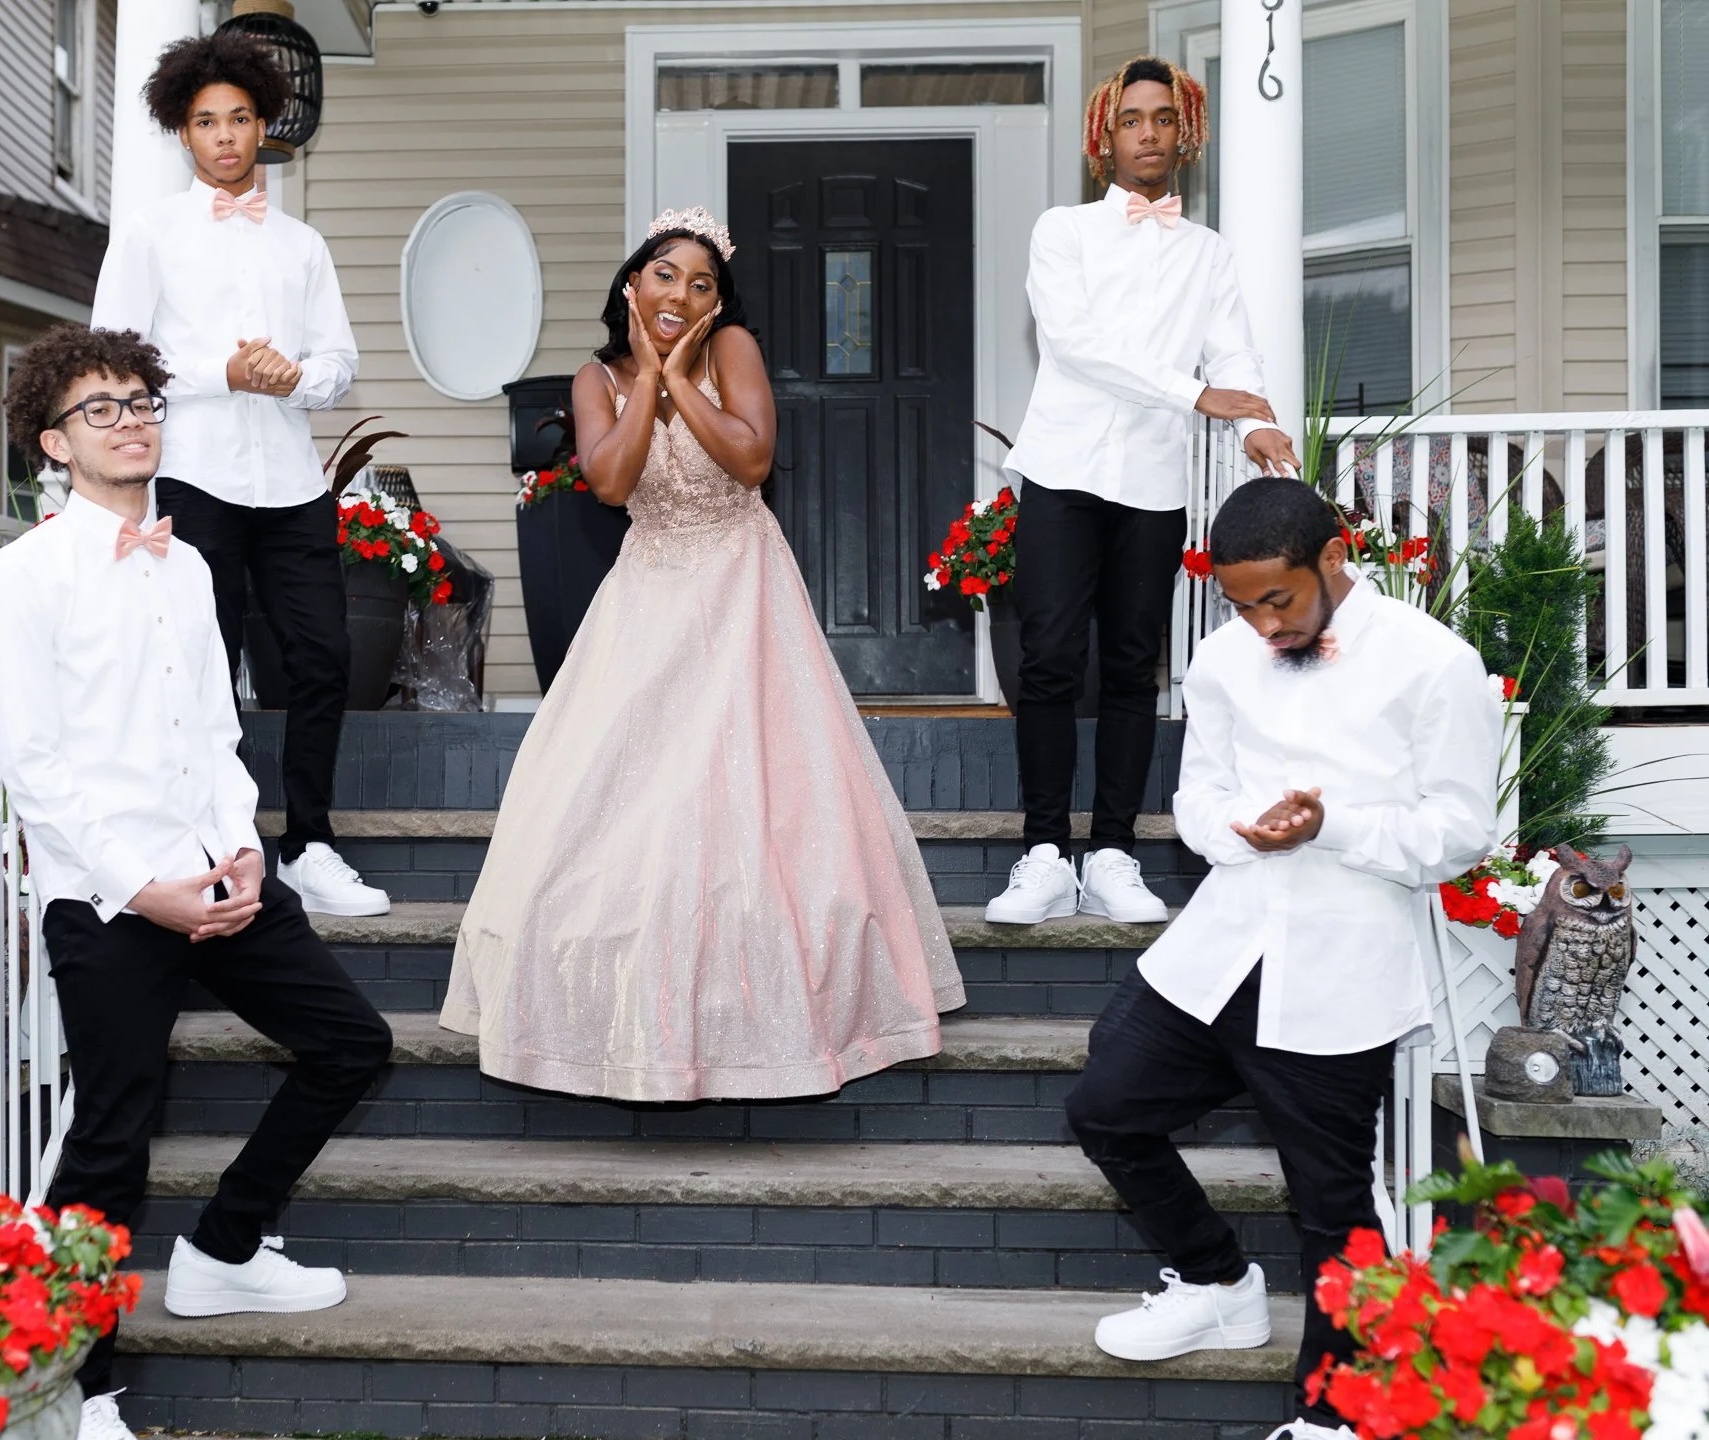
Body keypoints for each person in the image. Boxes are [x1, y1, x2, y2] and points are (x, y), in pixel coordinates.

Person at [0, 325, 394, 1440]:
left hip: (216, 874)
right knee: (113, 1131)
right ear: (52, 444)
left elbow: (215, 731)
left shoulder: (191, 562)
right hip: (106, 897)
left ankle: (222, 1248)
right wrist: (141, 888)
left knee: (355, 1045)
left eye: (142, 400)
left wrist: (243, 846)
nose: (131, 420)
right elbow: (37, 769)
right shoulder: (20, 577)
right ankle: (82, 1383)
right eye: (100, 408)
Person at [440, 210, 964, 1100]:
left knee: (756, 787)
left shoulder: (735, 356)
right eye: (665, 275)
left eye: (702, 283)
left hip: (740, 580)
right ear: (630, 285)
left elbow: (752, 459)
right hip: (649, 585)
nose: (681, 293)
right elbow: (609, 479)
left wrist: (684, 378)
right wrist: (646, 375)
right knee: (627, 786)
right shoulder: (594, 377)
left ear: (719, 305)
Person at [1063, 478, 1499, 1440]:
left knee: (1330, 1197)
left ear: (1335, 557)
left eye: (1279, 600)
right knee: (1106, 1107)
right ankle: (1218, 1282)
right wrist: (1241, 830)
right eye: (1242, 603)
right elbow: (1198, 800)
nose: (1262, 622)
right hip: (1222, 944)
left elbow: (1462, 831)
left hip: (1343, 962)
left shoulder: (1437, 665)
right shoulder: (1221, 661)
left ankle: (1340, 1414)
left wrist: (1330, 825)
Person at [987, 55, 1302, 927]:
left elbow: (1233, 354)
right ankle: (1044, 855)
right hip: (1063, 470)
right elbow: (1076, 343)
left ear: (1184, 133)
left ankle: (1115, 854)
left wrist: (1252, 424)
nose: (1150, 133)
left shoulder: (1210, 255)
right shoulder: (1064, 232)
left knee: (1133, 667)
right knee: (1049, 661)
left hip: (1154, 483)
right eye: (1134, 119)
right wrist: (1195, 395)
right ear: (1105, 137)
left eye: (1164, 118)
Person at [91, 29, 387, 918]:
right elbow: (114, 361)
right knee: (203, 663)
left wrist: (295, 378)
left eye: (240, 119)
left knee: (323, 659)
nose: (224, 136)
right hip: (194, 479)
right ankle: (221, 841)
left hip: (292, 483)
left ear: (266, 127)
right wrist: (224, 373)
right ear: (184, 133)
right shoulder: (149, 233)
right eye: (206, 121)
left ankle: (310, 842)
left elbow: (339, 362)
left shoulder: (302, 245)